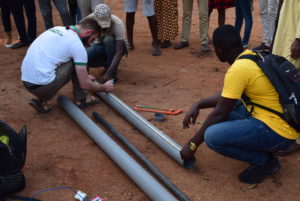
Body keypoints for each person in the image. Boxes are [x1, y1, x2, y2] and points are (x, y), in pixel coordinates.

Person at [180, 25, 298, 184]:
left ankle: (265, 162)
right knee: (230, 108)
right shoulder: (250, 55)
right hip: (284, 121)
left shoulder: (238, 69)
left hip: (279, 132)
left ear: (220, 50)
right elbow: (226, 97)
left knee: (213, 136)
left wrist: (192, 145)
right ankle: (259, 146)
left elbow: (220, 112)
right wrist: (199, 104)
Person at [21, 17, 114, 113]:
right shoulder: (77, 44)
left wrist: (84, 76)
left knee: (59, 60)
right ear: (88, 33)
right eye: (92, 39)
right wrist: (103, 87)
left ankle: (37, 98)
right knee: (77, 60)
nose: (90, 43)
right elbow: (85, 84)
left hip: (26, 81)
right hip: (42, 87)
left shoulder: (56, 29)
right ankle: (82, 99)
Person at [272, 0, 300, 154]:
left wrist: (299, 39)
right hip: (288, 30)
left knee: (294, 89)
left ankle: (296, 138)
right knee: (286, 87)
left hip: (294, 38)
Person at [84, 4, 128, 82]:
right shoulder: (89, 19)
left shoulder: (117, 23)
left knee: (109, 40)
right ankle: (107, 64)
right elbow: (80, 41)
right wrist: (84, 75)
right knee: (85, 56)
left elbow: (119, 51)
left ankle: (111, 74)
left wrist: (109, 73)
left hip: (117, 47)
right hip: (99, 46)